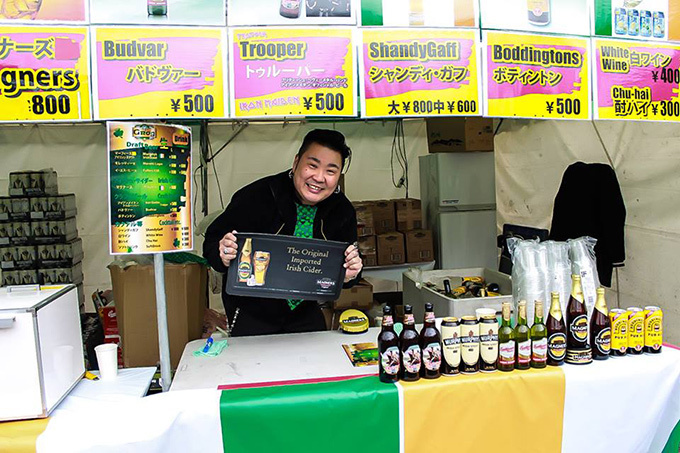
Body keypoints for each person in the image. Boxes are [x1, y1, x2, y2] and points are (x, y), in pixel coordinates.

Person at [203, 129, 363, 336]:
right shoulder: (256, 196)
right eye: (312, 166)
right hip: (251, 315)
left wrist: (350, 274)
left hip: (305, 312)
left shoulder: (342, 210)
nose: (319, 177)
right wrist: (222, 252)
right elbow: (212, 241)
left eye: (331, 171)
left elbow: (352, 267)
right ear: (296, 162)